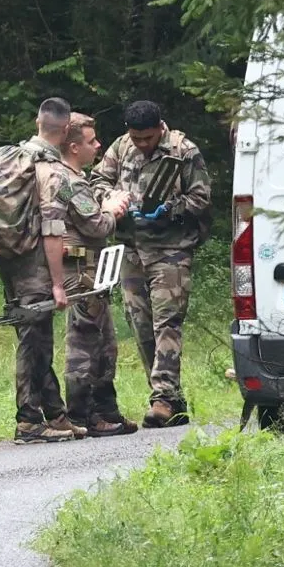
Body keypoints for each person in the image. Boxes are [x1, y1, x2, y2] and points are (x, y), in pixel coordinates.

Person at [91, 100, 212, 428]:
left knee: (167, 322)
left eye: (147, 138)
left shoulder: (183, 151)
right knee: (140, 324)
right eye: (137, 138)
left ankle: (162, 399)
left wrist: (170, 209)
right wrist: (115, 201)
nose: (142, 145)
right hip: (131, 249)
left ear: (160, 128)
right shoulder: (121, 147)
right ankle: (172, 398)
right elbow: (97, 182)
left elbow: (201, 197)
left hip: (171, 250)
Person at [0, 97, 89, 444]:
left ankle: (55, 414)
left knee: (34, 336)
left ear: (37, 122)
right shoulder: (53, 172)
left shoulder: (13, 159)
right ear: (66, 131)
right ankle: (28, 421)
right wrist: (58, 284)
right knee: (34, 341)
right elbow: (53, 232)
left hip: (8, 258)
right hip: (34, 263)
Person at [55, 112, 135, 436]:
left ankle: (105, 410)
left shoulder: (72, 178)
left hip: (92, 269)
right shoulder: (71, 181)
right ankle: (81, 413)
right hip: (81, 271)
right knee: (84, 343)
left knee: (105, 342)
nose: (98, 145)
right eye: (91, 141)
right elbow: (97, 225)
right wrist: (114, 209)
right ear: (74, 147)